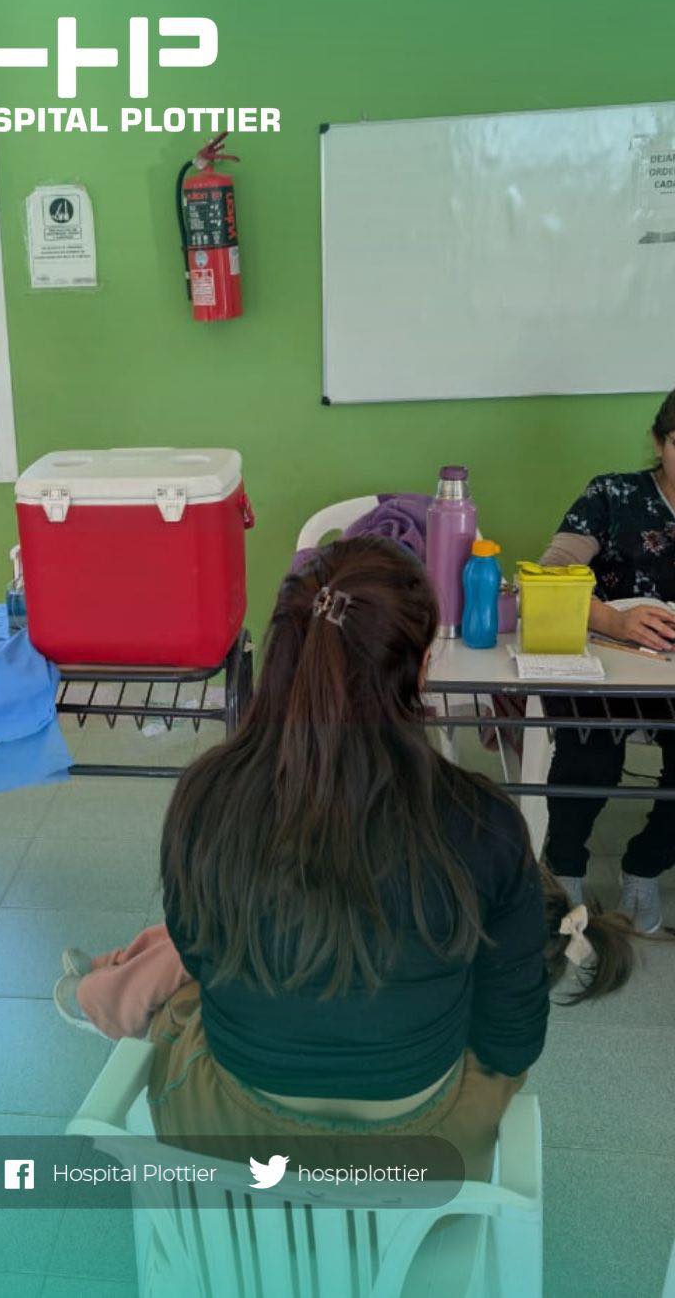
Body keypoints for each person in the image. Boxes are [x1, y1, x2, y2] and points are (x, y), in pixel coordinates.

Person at [56, 538, 633, 1181]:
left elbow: (199, 954)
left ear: (282, 657)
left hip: (231, 1131)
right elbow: (511, 1042)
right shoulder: (484, 821)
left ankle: (100, 990)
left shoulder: (208, 795)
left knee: (176, 993)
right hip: (422, 1149)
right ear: (421, 668)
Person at [540, 388, 675, 932]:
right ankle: (564, 869)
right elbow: (551, 576)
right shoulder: (613, 494)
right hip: (602, 657)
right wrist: (614, 621)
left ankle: (645, 865)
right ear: (659, 442)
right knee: (589, 758)